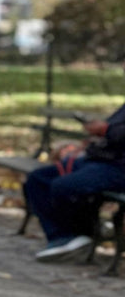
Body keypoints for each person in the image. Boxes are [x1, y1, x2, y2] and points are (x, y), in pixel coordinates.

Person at [24, 94, 125, 261]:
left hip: (117, 168)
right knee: (38, 179)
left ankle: (82, 232)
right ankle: (62, 237)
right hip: (100, 159)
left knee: (64, 186)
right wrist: (90, 142)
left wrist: (105, 130)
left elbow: (115, 133)